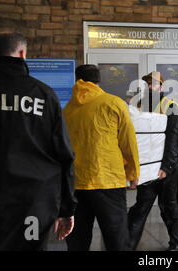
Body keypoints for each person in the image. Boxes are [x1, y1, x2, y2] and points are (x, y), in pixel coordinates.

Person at [0, 32, 77, 251]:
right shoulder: (43, 94)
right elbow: (64, 154)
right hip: (32, 202)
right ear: (22, 53)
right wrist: (67, 208)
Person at [63, 64, 140, 251]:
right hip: (108, 181)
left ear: (77, 80)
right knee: (116, 238)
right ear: (99, 81)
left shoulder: (67, 109)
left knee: (77, 239)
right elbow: (128, 141)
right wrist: (133, 172)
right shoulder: (114, 103)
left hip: (77, 183)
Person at [128, 72, 178, 251]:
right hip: (147, 168)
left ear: (161, 86)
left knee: (168, 205)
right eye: (148, 84)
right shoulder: (138, 106)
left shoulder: (171, 105)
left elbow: (175, 139)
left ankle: (176, 243)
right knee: (141, 206)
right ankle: (127, 245)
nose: (151, 87)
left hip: (167, 168)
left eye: (154, 84)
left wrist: (166, 167)